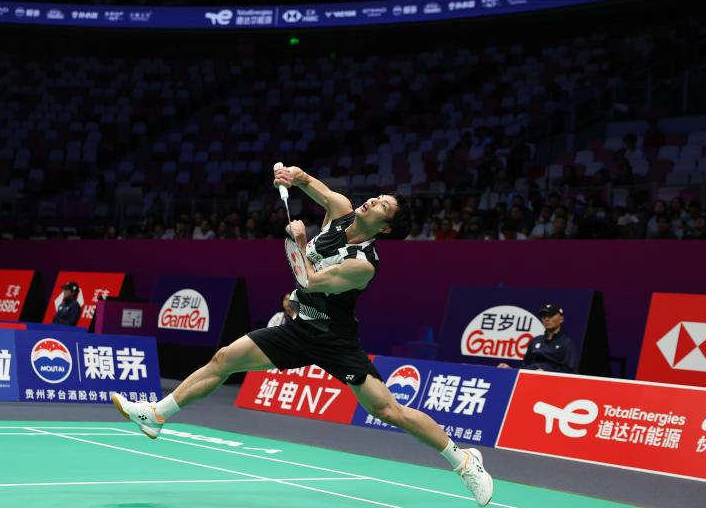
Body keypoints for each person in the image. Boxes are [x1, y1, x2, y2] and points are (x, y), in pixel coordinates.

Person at [109, 165, 494, 506]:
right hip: (299, 328)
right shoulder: (341, 209)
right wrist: (291, 176)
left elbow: (310, 280)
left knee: (388, 410)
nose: (374, 201)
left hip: (334, 342)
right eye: (378, 197)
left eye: (382, 206)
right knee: (224, 359)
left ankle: (464, 462)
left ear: (386, 227)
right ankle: (157, 415)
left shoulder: (364, 265)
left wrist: (299, 242)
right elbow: (310, 182)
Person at [498, 303, 578, 373]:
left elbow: (569, 371)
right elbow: (524, 367)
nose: (547, 319)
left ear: (561, 319)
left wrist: (547, 373)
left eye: (551, 315)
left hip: (549, 381)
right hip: (528, 378)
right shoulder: (535, 341)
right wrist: (510, 370)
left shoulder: (566, 343)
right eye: (544, 316)